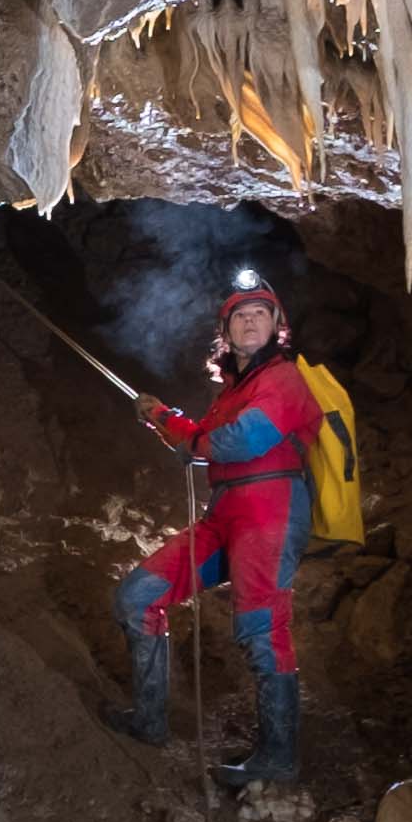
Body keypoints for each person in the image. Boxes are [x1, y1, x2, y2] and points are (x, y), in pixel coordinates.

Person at [115, 274, 316, 786]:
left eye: (260, 313)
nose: (250, 321)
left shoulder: (283, 379)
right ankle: (149, 721)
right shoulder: (234, 391)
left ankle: (278, 755)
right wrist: (161, 416)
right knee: (138, 597)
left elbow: (244, 439)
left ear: (276, 326)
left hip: (270, 510)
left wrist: (192, 441)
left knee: (261, 627)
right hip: (225, 514)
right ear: (225, 331)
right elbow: (205, 438)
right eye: (239, 315)